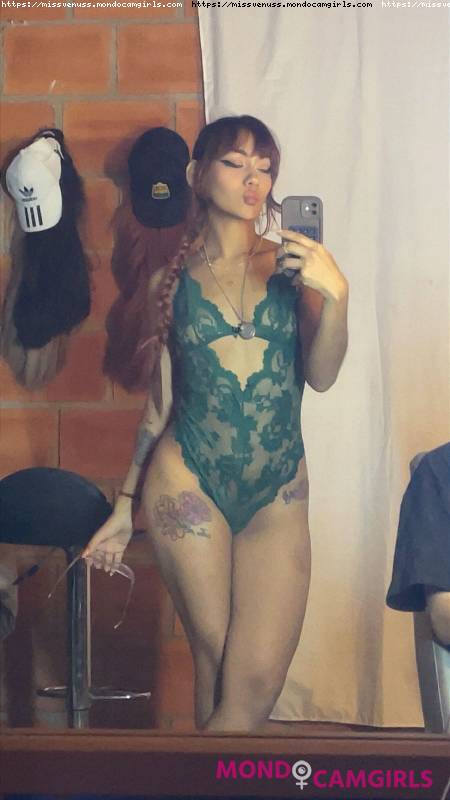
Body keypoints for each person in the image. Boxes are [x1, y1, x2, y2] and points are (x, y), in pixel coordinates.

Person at [82, 115, 349, 732]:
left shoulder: (295, 269)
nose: (254, 179)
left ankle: (193, 777)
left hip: (277, 493)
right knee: (218, 662)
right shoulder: (169, 281)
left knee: (252, 683)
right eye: (235, 163)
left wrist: (337, 297)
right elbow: (160, 406)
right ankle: (211, 778)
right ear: (196, 175)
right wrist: (123, 508)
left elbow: (323, 375)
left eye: (265, 167)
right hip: (187, 480)